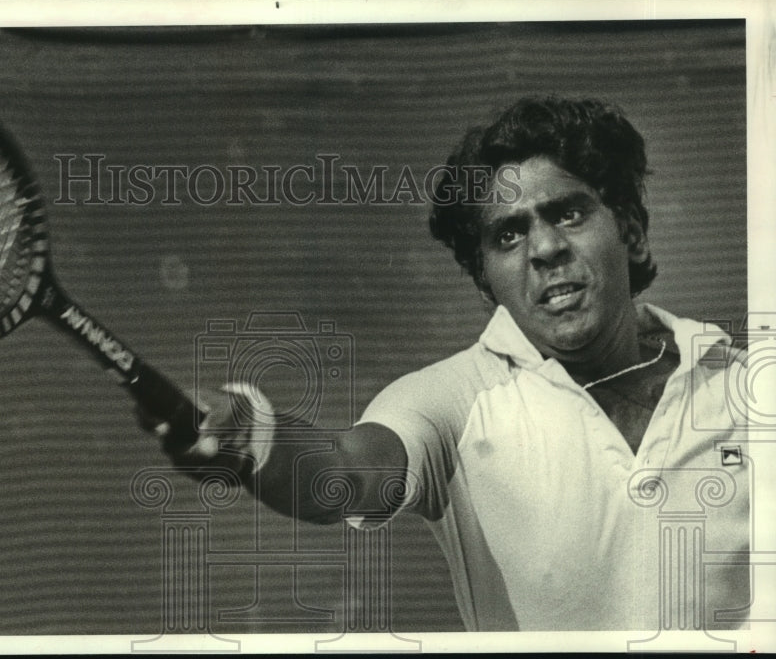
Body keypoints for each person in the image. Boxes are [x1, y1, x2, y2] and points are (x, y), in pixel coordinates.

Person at [141, 96, 750, 631]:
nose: (544, 248)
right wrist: (255, 439)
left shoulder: (748, 388)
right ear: (488, 282)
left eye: (567, 212)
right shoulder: (447, 403)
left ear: (633, 233)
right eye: (507, 235)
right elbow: (345, 474)